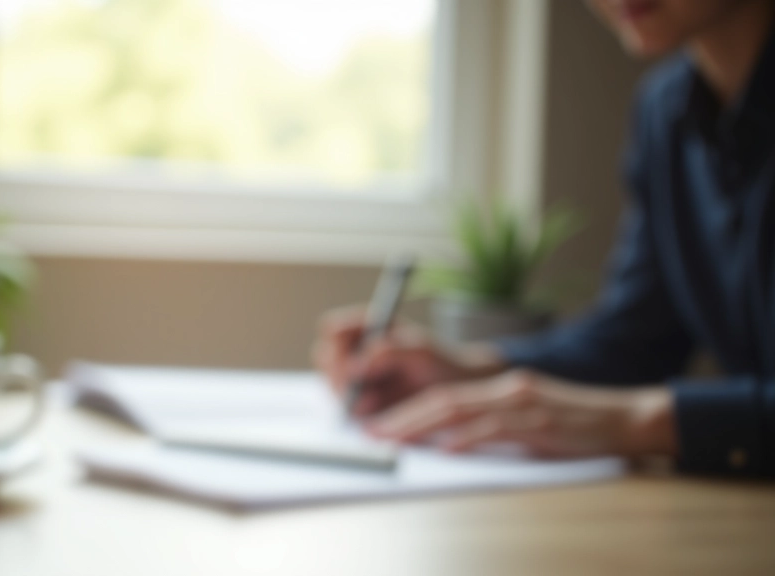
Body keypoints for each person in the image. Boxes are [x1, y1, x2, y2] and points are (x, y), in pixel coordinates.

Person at [314, 0, 775, 477]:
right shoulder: (668, 111)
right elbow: (635, 342)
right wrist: (466, 371)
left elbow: (638, 388)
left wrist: (644, 420)